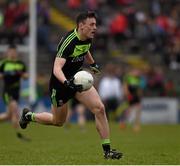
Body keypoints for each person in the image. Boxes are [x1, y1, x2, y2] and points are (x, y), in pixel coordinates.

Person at [19, 11, 123, 159]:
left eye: (95, 24)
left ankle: (108, 151)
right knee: (58, 121)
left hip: (77, 80)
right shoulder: (69, 42)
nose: (95, 27)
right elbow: (56, 68)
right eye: (92, 24)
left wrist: (92, 63)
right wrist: (67, 83)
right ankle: (29, 116)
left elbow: (85, 50)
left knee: (99, 108)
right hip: (60, 85)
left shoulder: (88, 36)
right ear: (81, 26)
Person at [0, 44, 29, 140]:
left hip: (16, 91)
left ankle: (18, 134)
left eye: (14, 52)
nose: (12, 53)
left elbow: (26, 76)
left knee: (8, 115)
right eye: (11, 51)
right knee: (15, 110)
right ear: (8, 52)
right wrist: (7, 74)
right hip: (7, 91)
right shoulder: (3, 63)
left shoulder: (20, 64)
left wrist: (19, 73)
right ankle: (19, 134)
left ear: (16, 53)